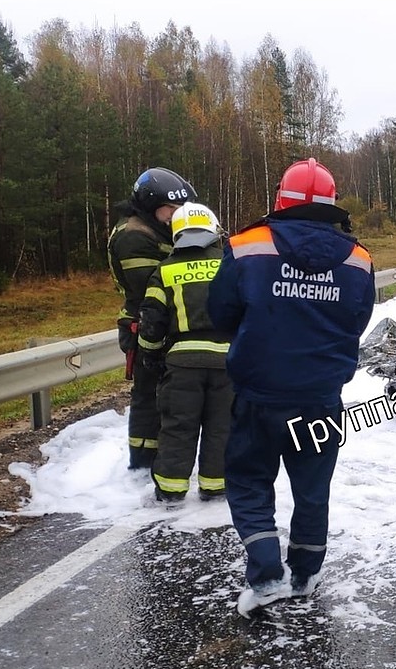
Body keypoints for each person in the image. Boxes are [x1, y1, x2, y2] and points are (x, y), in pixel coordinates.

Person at [208, 158, 375, 618]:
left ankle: (265, 576)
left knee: (248, 483)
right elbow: (357, 322)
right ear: (333, 203)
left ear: (280, 199)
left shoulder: (247, 247)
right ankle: (304, 574)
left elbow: (220, 314)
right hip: (320, 400)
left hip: (258, 396)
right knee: (312, 489)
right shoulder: (359, 259)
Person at [137, 202, 233, 505]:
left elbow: (151, 322)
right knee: (222, 427)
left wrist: (150, 355)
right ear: (213, 230)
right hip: (227, 364)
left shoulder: (164, 270)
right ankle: (216, 487)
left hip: (181, 365)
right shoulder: (230, 264)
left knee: (178, 427)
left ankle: (171, 490)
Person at [107, 167, 198, 469]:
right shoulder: (134, 236)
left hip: (161, 323)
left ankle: (158, 458)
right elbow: (152, 286)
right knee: (148, 397)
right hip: (143, 325)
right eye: (170, 210)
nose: (176, 216)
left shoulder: (157, 231)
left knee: (165, 395)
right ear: (149, 206)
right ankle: (143, 462)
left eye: (180, 210)